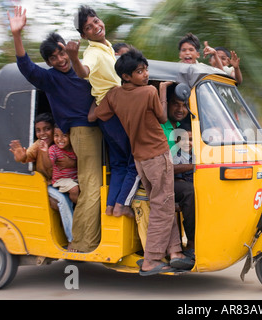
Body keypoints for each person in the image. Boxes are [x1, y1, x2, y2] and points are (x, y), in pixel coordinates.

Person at [7, 6, 102, 252]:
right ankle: (82, 242)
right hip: (80, 131)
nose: (60, 60)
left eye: (62, 53)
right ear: (49, 62)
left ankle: (87, 237)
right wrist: (17, 35)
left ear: (68, 48)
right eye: (53, 59)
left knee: (92, 184)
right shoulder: (50, 78)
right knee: (91, 185)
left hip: (96, 130)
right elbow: (26, 66)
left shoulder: (84, 68)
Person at [94, 48, 194, 275]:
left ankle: (175, 251)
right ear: (127, 76)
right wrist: (160, 90)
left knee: (161, 204)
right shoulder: (149, 91)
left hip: (139, 159)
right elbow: (162, 117)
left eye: (146, 70)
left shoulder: (114, 95)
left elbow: (97, 115)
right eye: (140, 71)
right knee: (164, 207)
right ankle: (151, 259)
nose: (146, 74)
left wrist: (126, 126)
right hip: (157, 156)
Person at [67, 5, 138, 217]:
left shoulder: (106, 47)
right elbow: (84, 72)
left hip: (108, 114)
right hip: (115, 114)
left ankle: (110, 207)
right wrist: (73, 58)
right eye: (89, 27)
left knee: (118, 164)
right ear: (83, 34)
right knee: (135, 159)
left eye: (96, 21)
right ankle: (122, 206)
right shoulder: (93, 53)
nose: (96, 27)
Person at [9, 113, 75, 243]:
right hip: (47, 184)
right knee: (62, 201)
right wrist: (21, 157)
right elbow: (27, 155)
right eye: (38, 131)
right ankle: (72, 239)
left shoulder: (62, 142)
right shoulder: (38, 144)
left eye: (47, 129)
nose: (43, 133)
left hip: (64, 182)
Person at [161, 86, 195, 257]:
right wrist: (195, 166)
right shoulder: (160, 127)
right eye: (176, 104)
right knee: (190, 192)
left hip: (176, 177)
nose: (180, 109)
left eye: (184, 105)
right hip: (160, 180)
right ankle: (191, 242)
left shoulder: (183, 126)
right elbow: (165, 167)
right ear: (166, 103)